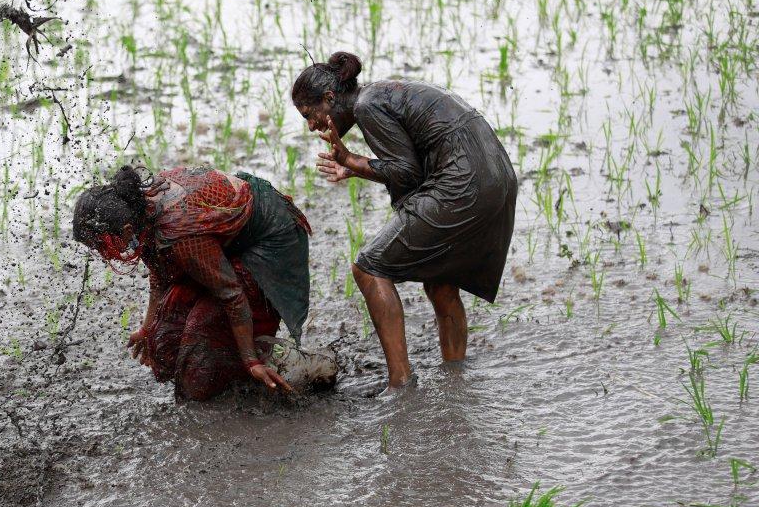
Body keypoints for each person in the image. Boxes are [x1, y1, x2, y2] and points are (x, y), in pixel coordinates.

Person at [293, 51, 517, 392]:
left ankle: (400, 383)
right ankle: (455, 377)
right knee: (441, 278)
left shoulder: (367, 107)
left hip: (463, 184)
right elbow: (414, 170)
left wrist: (350, 158)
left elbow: (407, 172)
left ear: (329, 98)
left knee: (368, 268)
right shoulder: (380, 94)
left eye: (311, 114)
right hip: (496, 177)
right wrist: (354, 167)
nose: (312, 126)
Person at [73, 166, 312, 401]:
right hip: (226, 243)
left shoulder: (180, 235)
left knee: (202, 339)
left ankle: (247, 372)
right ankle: (230, 369)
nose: (101, 253)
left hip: (271, 243)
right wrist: (147, 329)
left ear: (125, 230)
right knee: (163, 337)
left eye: (100, 246)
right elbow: (160, 277)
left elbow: (232, 294)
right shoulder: (140, 212)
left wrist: (250, 360)